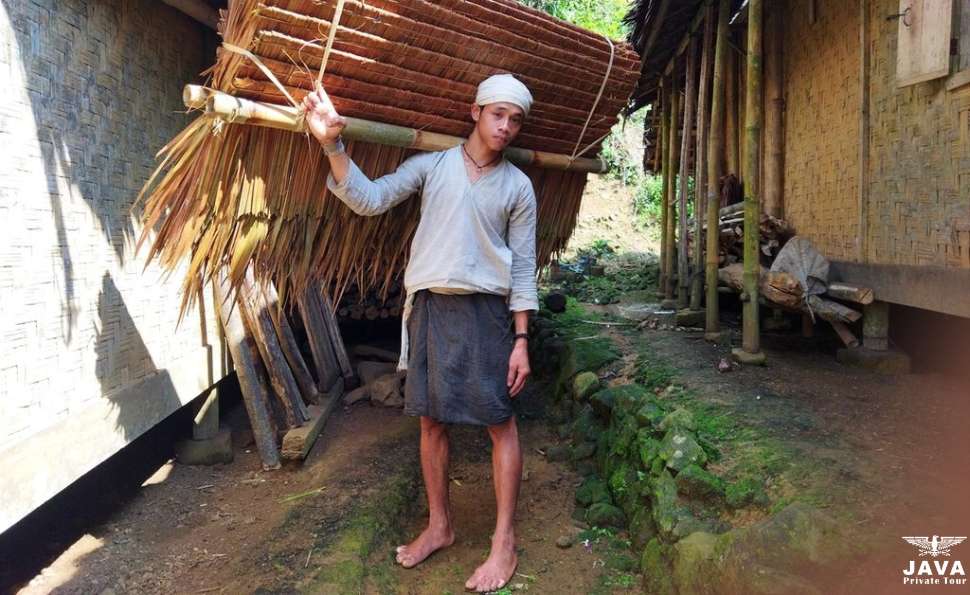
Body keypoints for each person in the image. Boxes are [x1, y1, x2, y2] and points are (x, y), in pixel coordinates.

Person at [302, 73, 538, 593]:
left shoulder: (518, 187)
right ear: (475, 112)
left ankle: (504, 541)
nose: (506, 127)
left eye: (516, 119)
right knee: (430, 420)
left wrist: (521, 340)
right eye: (498, 114)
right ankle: (440, 525)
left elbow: (522, 269)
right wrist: (332, 143)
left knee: (501, 422)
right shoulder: (432, 167)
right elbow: (367, 197)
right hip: (429, 307)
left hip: (487, 314)